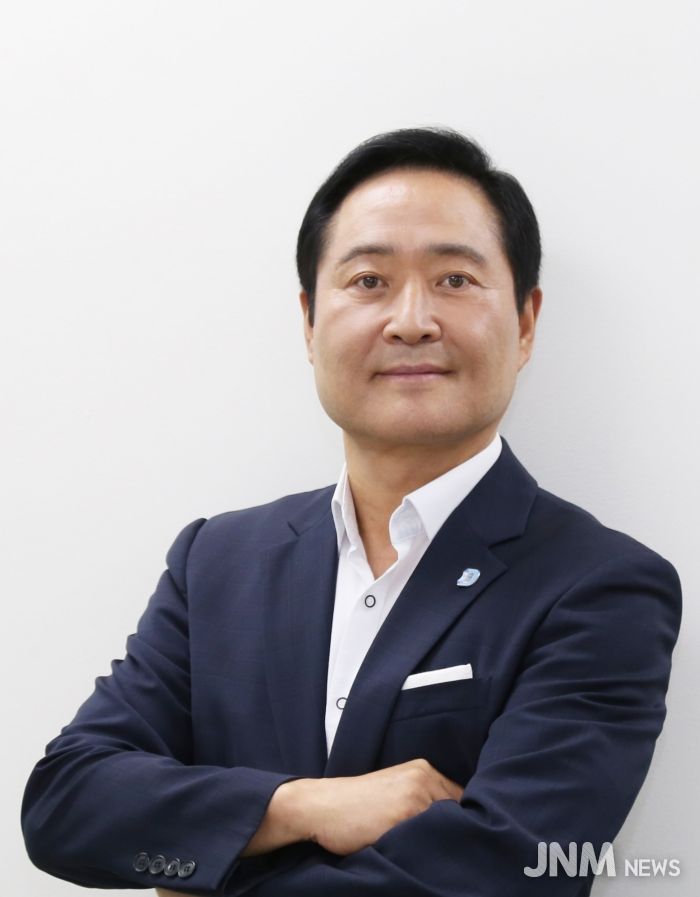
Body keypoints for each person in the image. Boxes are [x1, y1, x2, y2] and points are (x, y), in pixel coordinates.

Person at [21, 127, 682, 897]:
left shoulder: (601, 585)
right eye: (369, 280)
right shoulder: (217, 561)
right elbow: (65, 803)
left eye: (455, 280)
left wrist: (207, 865)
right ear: (309, 321)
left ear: (526, 321)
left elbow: (507, 871)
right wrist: (298, 805)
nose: (411, 320)